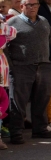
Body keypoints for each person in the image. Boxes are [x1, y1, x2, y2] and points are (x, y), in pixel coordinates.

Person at [6, 0, 51, 144]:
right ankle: (16, 132)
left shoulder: (44, 21)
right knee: (17, 102)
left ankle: (40, 129)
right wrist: (12, 65)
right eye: (28, 5)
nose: (32, 7)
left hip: (43, 66)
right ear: (22, 6)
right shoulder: (12, 23)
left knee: (42, 99)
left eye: (35, 4)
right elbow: (5, 47)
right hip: (21, 67)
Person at [0, 15, 17, 149]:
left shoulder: (3, 29)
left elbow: (13, 33)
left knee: (3, 98)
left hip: (2, 69)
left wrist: (2, 25)